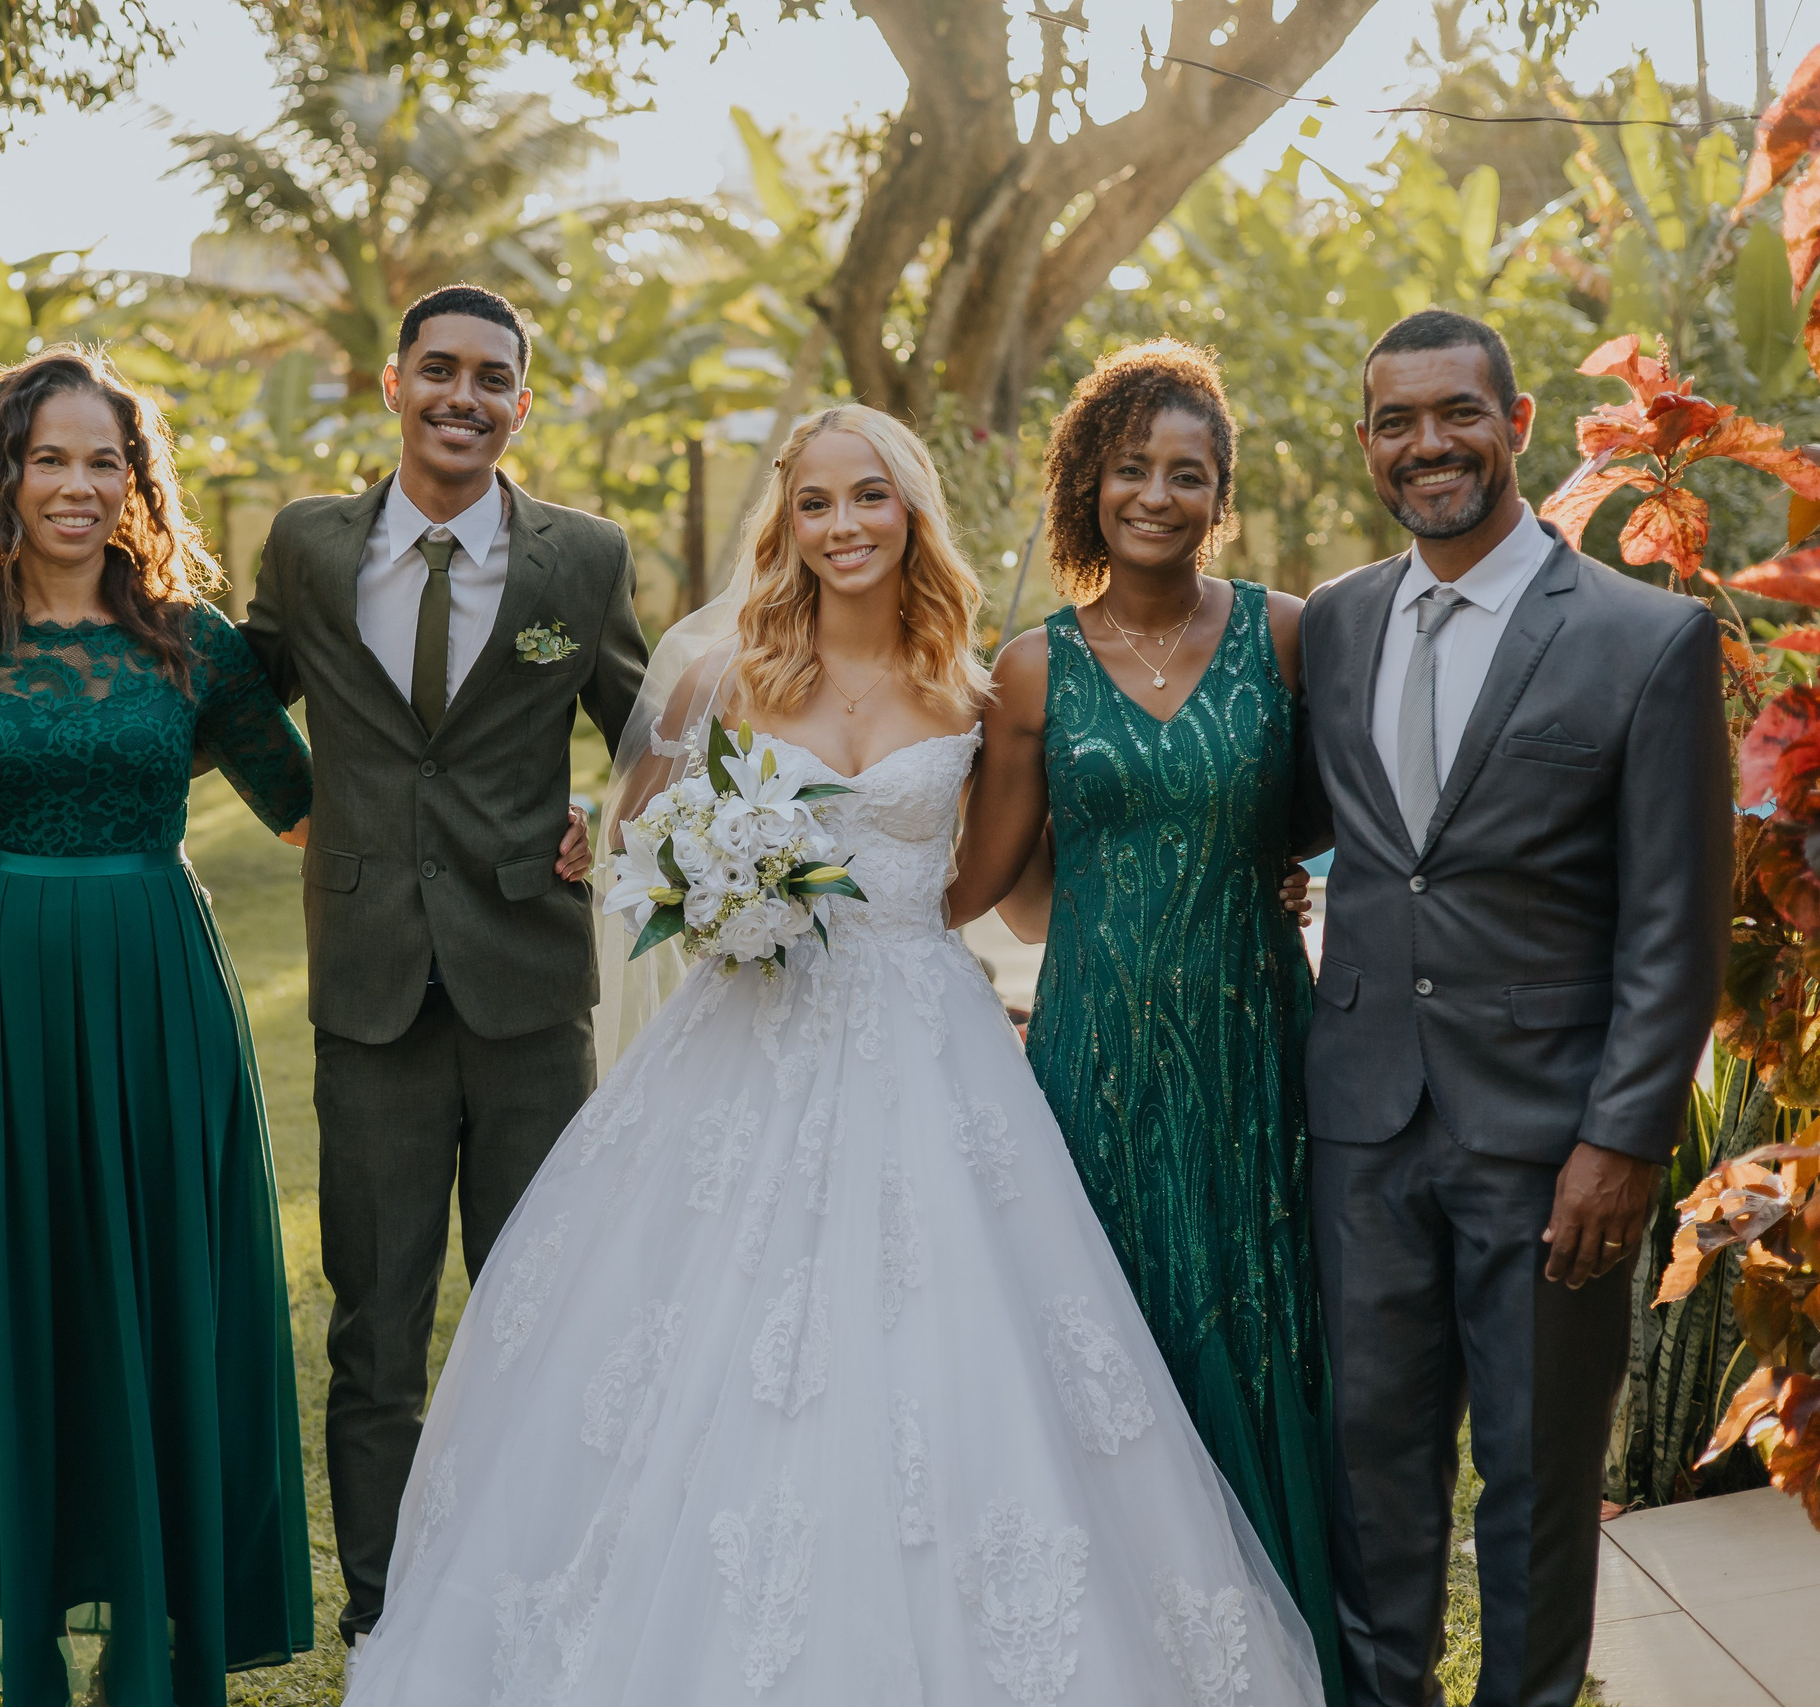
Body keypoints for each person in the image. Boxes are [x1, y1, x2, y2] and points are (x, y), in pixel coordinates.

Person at [342, 403, 1327, 1705]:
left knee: (952, 1352)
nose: (844, 524)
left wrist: (1236, 875)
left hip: (929, 1046)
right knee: (714, 1355)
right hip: (746, 1048)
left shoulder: (972, 692)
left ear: (911, 511)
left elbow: (1003, 892)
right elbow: (636, 858)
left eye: (870, 497)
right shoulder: (720, 677)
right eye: (816, 502)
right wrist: (709, 889)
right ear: (788, 523)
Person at [0, 345, 317, 1704]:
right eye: (45, 457)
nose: (72, 484)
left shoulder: (198, 643)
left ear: (135, 480)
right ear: (0, 473)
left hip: (161, 993)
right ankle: (28, 1643)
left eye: (100, 459)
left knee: (165, 1286)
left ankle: (154, 1639)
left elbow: (311, 813)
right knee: (16, 1292)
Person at [1296, 309, 1730, 1707]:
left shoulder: (1647, 640)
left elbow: (1675, 922)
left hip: (1554, 1150)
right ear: (1367, 445)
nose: (1429, 444)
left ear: (1519, 422)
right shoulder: (1340, 623)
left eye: (1456, 413)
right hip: (1363, 1127)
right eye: (1397, 422)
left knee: (1539, 1491)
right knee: (1372, 1476)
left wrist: (1625, 1142)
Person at [237, 283, 648, 1651]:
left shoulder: (580, 561)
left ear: (523, 403)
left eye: (493, 377)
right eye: (439, 371)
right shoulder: (305, 547)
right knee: (375, 1328)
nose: (463, 397)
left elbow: (652, 735)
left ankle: (534, 1606)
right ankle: (384, 1618)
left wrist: (622, 824)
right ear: (393, 384)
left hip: (531, 992)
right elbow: (237, 701)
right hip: (369, 994)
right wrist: (306, 807)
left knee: (540, 1315)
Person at [946, 338, 1343, 1700]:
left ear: (1221, 491)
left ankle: (1284, 1636)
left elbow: (1343, 818)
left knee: (1262, 1320)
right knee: (1110, 1333)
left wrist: (1301, 871)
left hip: (1253, 1047)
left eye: (1188, 472)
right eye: (1133, 469)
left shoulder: (1290, 635)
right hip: (1094, 1053)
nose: (1158, 495)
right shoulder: (1031, 670)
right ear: (1088, 485)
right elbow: (987, 890)